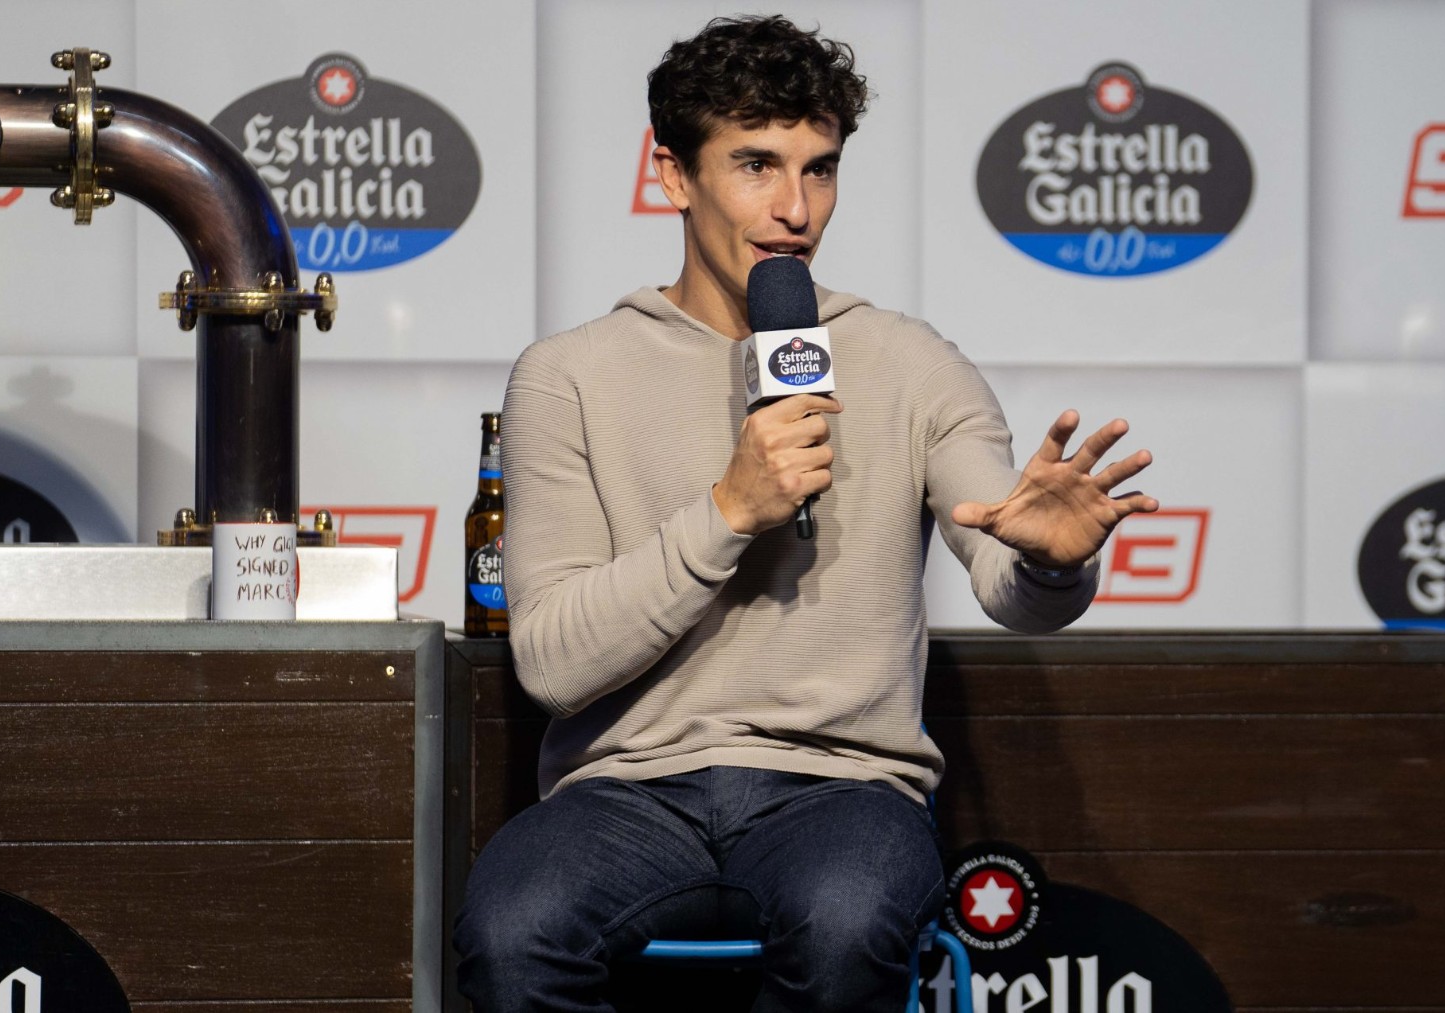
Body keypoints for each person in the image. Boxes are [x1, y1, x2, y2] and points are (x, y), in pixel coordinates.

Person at [453, 14, 1158, 1012]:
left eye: (819, 169)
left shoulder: (911, 361)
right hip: (622, 792)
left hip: (843, 785)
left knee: (846, 918)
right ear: (672, 174)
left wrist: (1050, 560)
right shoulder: (568, 375)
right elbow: (555, 661)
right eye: (757, 165)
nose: (795, 207)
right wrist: (729, 510)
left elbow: (1009, 579)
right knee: (511, 930)